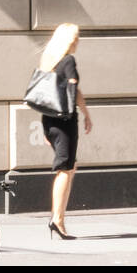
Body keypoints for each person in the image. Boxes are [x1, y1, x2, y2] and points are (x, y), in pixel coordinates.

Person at [39, 23, 92, 240]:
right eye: (76, 38)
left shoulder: (49, 61)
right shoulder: (69, 60)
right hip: (65, 121)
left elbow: (47, 93)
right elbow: (74, 88)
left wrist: (86, 113)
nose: (78, 42)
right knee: (64, 169)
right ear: (69, 41)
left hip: (50, 119)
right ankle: (57, 219)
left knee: (70, 167)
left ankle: (59, 218)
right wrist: (83, 113)